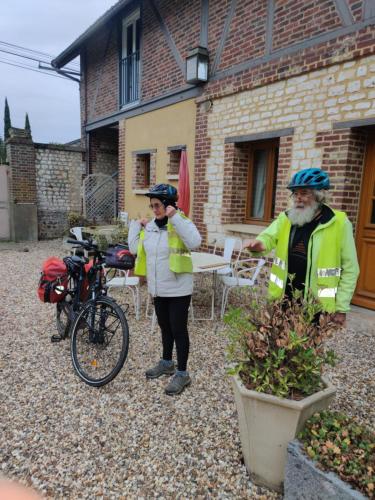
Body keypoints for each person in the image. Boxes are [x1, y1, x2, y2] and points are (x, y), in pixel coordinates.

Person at [243, 168, 360, 327]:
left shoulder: (339, 223)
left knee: (309, 349)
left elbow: (351, 268)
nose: (298, 198)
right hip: (284, 300)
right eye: (295, 193)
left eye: (304, 193)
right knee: (279, 346)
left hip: (316, 306)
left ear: (319, 196)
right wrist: (259, 244)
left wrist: (341, 307)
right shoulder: (286, 218)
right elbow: (268, 236)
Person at [128, 183, 201, 395]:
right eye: (152, 206)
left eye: (158, 205)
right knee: (165, 327)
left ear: (169, 205)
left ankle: (182, 373)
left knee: (179, 330)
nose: (154, 209)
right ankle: (167, 362)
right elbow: (134, 249)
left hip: (179, 289)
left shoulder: (181, 222)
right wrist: (136, 225)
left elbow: (196, 241)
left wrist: (175, 217)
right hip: (158, 289)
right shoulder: (150, 227)